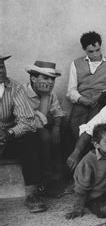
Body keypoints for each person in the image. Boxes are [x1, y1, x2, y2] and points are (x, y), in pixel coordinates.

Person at [0, 55, 45, 213]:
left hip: (8, 135)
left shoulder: (15, 87)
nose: (1, 71)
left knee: (31, 138)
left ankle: (32, 194)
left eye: (2, 66)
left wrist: (9, 133)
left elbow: (26, 120)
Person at [67, 31, 106, 142]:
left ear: (100, 47)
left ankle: (92, 154)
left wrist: (101, 95)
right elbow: (71, 89)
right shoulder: (76, 63)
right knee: (74, 125)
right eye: (91, 52)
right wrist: (81, 99)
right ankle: (79, 155)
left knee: (94, 127)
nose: (95, 54)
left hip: (101, 101)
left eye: (98, 50)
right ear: (84, 50)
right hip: (82, 100)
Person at [24, 60, 65, 185]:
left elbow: (57, 113)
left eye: (53, 79)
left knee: (64, 128)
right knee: (44, 136)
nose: (51, 82)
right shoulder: (22, 93)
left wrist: (57, 128)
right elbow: (36, 123)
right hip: (29, 128)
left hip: (45, 125)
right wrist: (44, 96)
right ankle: (46, 174)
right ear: (33, 78)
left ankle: (61, 172)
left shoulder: (51, 94)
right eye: (46, 78)